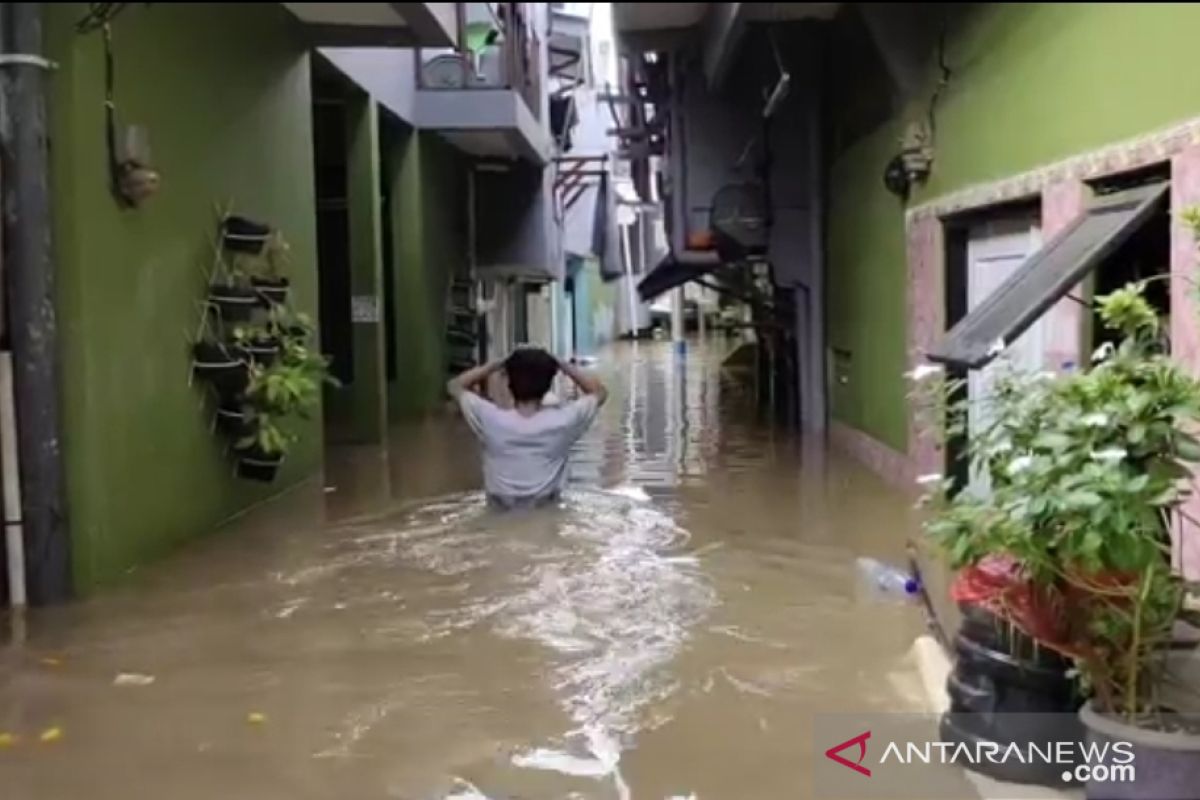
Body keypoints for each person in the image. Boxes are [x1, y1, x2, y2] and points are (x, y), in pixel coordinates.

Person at [446, 347, 608, 509]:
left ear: (509, 384)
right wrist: (563, 364)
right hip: (545, 508)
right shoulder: (564, 422)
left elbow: (454, 385)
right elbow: (599, 393)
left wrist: (496, 364)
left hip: (500, 508)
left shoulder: (490, 419)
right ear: (548, 385)